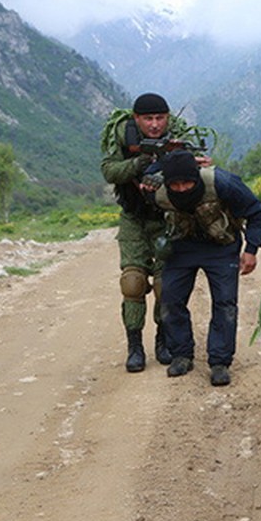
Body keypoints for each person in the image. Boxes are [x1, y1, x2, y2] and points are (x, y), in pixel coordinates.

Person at [100, 92, 204, 373]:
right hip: (134, 218)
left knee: (164, 285)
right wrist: (140, 163)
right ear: (137, 119)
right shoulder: (124, 134)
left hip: (166, 219)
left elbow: (197, 167)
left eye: (160, 118)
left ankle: (163, 339)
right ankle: (135, 346)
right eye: (148, 119)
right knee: (133, 282)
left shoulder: (177, 136)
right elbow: (109, 170)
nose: (155, 124)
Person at [149, 150, 261, 386]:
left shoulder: (223, 183)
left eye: (187, 182)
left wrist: (252, 249)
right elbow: (141, 183)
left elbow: (256, 213)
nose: (182, 189)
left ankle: (220, 361)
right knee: (170, 300)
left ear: (197, 176)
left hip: (221, 248)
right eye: (176, 185)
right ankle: (181, 354)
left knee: (225, 304)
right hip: (181, 247)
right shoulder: (158, 193)